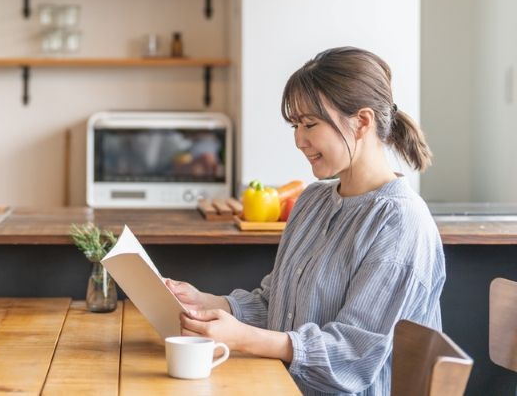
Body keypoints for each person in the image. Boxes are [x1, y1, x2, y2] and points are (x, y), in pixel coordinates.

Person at [166, 47, 444, 396]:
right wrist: (208, 303)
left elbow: (353, 358)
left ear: (362, 121)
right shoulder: (311, 203)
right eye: (295, 125)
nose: (299, 140)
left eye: (310, 124)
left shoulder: (400, 222)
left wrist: (244, 338)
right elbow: (277, 306)